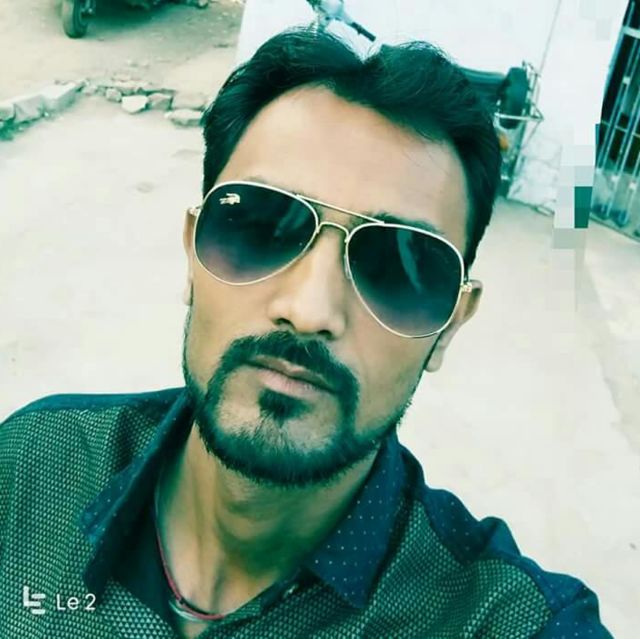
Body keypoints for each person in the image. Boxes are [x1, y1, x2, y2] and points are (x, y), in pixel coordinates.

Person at [0, 28, 612, 639]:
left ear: (450, 324)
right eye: (260, 225)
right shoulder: (29, 464)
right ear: (192, 255)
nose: (309, 309)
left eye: (399, 267)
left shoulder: (507, 621)